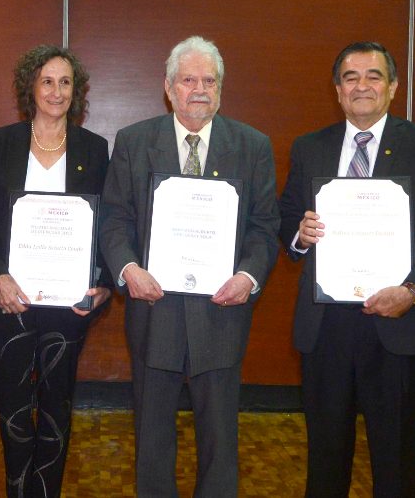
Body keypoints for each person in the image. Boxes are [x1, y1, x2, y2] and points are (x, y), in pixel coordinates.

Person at [278, 41, 415, 497]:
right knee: (324, 457)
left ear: (393, 86)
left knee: (396, 460)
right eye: (350, 77)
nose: (361, 85)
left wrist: (413, 289)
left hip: (398, 323)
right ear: (337, 90)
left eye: (373, 76)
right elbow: (286, 219)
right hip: (326, 328)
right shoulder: (310, 147)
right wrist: (299, 237)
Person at [100, 36, 280, 497]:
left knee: (221, 438)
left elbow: (263, 227)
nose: (199, 89)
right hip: (154, 307)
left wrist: (249, 276)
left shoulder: (252, 145)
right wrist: (127, 269)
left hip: (223, 311)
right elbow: (114, 219)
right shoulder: (135, 142)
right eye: (188, 80)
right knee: (152, 435)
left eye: (209, 81)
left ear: (220, 88)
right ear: (168, 87)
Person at [0, 45, 112, 498]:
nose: (56, 91)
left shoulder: (94, 148)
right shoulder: (1, 142)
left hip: (66, 305)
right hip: (11, 300)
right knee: (13, 411)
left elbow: (108, 223)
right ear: (30, 87)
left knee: (56, 409)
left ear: (77, 91)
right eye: (47, 81)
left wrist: (104, 284)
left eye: (66, 82)